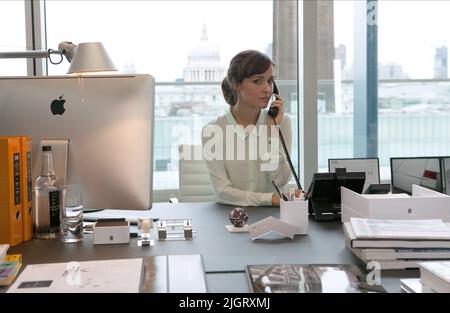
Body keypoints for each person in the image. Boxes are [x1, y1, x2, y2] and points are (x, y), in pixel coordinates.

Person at [202, 50, 297, 207]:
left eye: (270, 81)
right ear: (237, 84)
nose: (267, 89)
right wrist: (269, 199)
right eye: (257, 81)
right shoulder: (213, 131)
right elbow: (222, 192)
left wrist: (272, 131)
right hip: (230, 218)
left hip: (272, 217)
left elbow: (280, 179)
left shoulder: (281, 122)